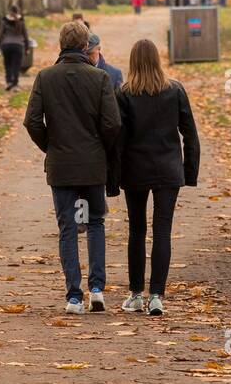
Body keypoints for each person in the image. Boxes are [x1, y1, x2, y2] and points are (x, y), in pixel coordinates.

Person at [23, 21, 122, 314]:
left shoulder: (45, 77)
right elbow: (113, 123)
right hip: (92, 164)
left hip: (61, 164)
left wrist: (51, 146)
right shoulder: (100, 78)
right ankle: (96, 288)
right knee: (95, 223)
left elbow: (32, 121)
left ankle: (73, 296)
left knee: (67, 227)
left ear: (60, 45)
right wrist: (99, 147)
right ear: (84, 46)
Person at [116, 39, 199, 317]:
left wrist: (113, 177)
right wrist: (189, 173)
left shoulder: (125, 94)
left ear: (133, 62)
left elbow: (119, 139)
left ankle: (136, 293)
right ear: (157, 59)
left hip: (135, 169)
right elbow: (190, 133)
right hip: (168, 169)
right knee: (163, 231)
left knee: (137, 230)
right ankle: (157, 296)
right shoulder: (174, 90)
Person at [0, 5, 29, 91]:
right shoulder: (21, 21)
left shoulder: (5, 21)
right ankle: (15, 84)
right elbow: (25, 36)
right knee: (16, 65)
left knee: (7, 64)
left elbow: (0, 34)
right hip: (18, 45)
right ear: (18, 11)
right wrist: (26, 47)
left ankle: (8, 82)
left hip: (6, 45)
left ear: (10, 11)